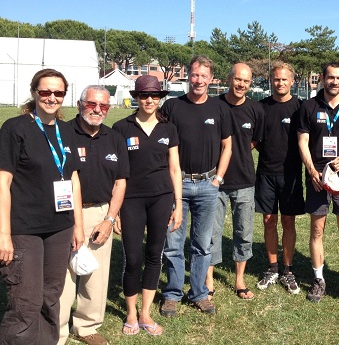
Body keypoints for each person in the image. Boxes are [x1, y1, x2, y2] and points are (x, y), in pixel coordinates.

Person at [0, 68, 84, 345]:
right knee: (26, 302)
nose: (51, 97)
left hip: (60, 228)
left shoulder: (67, 129)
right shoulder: (15, 128)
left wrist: (77, 225)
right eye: (45, 91)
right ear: (34, 92)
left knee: (51, 297)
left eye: (57, 92)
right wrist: (4, 234)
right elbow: (3, 181)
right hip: (24, 229)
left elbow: (72, 178)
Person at [161, 55, 232, 316]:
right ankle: (172, 294)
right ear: (187, 76)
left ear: (211, 79)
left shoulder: (219, 108)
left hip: (207, 185)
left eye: (204, 76)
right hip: (177, 185)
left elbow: (228, 146)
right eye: (194, 74)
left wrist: (218, 179)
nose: (198, 80)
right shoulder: (172, 107)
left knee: (203, 244)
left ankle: (200, 293)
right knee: (173, 242)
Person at [112, 75, 183, 336]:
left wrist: (178, 203)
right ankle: (130, 313)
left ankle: (145, 313)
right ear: (136, 97)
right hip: (130, 200)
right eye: (144, 95)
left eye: (154, 95)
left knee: (154, 256)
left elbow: (175, 168)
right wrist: (115, 211)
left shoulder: (169, 128)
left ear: (160, 98)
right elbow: (116, 173)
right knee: (133, 258)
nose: (149, 100)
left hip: (161, 199)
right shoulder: (121, 127)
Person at [58, 86, 129, 345]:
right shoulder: (63, 133)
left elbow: (120, 182)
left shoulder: (114, 138)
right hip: (64, 211)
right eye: (92, 104)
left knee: (95, 276)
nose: (97, 110)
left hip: (100, 213)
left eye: (104, 106)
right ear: (80, 104)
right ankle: (58, 330)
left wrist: (110, 218)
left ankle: (87, 326)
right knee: (63, 275)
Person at [298, 62, 339, 306]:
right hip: (317, 176)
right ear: (323, 79)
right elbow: (302, 141)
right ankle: (318, 279)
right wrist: (311, 170)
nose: (334, 82)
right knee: (317, 230)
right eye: (330, 77)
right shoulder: (309, 106)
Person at [207, 62, 265, 300]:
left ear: (250, 84)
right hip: (215, 182)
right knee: (211, 233)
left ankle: (239, 279)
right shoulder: (214, 106)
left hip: (244, 181)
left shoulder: (256, 110)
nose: (241, 84)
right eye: (238, 79)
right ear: (229, 79)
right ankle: (208, 280)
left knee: (244, 232)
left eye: (246, 81)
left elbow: (255, 141)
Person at [255, 62, 304, 295]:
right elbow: (253, 140)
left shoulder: (300, 108)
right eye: (276, 79)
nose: (280, 83)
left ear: (292, 81)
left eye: (284, 79)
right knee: (268, 221)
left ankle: (288, 269)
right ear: (270, 81)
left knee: (288, 222)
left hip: (291, 174)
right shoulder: (261, 107)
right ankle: (272, 267)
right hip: (265, 173)